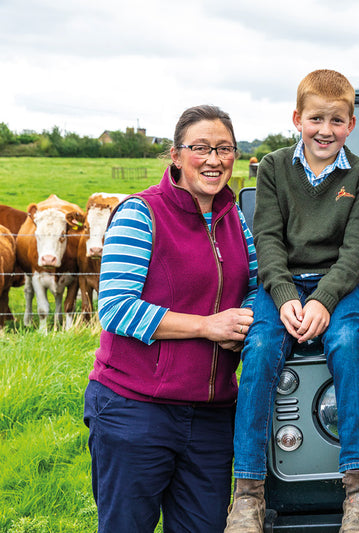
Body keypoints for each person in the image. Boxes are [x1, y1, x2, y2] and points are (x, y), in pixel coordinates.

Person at [83, 105, 258, 532]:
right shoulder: (141, 213)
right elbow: (116, 307)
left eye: (224, 149)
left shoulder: (234, 217)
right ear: (176, 156)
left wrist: (246, 321)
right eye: (200, 148)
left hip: (212, 414)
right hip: (135, 409)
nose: (213, 160)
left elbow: (254, 284)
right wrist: (207, 325)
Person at [225, 69, 359, 533]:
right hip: (282, 286)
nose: (325, 130)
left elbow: (355, 252)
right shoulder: (273, 168)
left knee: (350, 343)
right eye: (316, 119)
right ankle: (247, 494)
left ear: (351, 124)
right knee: (257, 350)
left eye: (337, 121)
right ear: (297, 118)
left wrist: (325, 300)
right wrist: (288, 295)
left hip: (341, 286)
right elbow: (268, 239)